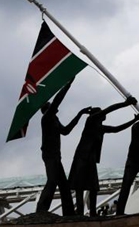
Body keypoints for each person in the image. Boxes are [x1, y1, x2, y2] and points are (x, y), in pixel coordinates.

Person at [68, 96, 138, 216]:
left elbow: (116, 129)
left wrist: (133, 121)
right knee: (80, 186)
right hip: (82, 158)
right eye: (101, 113)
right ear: (97, 115)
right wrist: (125, 104)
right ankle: (79, 213)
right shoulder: (90, 122)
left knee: (93, 187)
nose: (104, 114)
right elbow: (109, 110)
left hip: (90, 159)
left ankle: (93, 213)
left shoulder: (100, 128)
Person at [35, 78, 91, 215]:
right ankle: (41, 209)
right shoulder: (47, 118)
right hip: (49, 155)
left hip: (55, 156)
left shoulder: (54, 119)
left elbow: (66, 131)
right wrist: (67, 84)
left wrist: (80, 114)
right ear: (47, 109)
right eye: (50, 105)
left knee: (64, 186)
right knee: (52, 180)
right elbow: (57, 100)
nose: (54, 106)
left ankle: (69, 212)